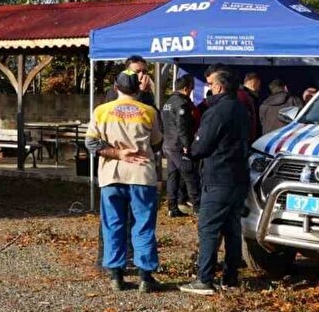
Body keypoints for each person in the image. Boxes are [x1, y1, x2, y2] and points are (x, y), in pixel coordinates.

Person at [85, 71, 164, 293]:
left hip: (111, 176)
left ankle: (116, 276)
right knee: (143, 224)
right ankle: (146, 277)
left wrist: (117, 153)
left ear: (116, 87)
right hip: (142, 176)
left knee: (113, 225)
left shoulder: (101, 111)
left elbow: (91, 144)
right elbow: (157, 143)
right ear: (138, 89)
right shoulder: (148, 112)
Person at [181, 66, 251, 296]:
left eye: (210, 84)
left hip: (218, 176)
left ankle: (204, 279)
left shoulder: (217, 111)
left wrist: (190, 151)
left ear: (218, 86)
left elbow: (202, 145)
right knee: (232, 229)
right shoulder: (242, 108)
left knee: (209, 228)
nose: (209, 89)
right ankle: (231, 278)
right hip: (239, 177)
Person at [161, 74, 200, 218]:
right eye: (190, 89)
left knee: (173, 175)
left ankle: (172, 207)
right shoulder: (181, 104)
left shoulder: (168, 102)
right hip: (178, 145)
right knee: (190, 174)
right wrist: (186, 145)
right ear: (185, 89)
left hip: (168, 144)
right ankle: (198, 207)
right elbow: (182, 126)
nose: (191, 92)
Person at [238, 71, 262, 140]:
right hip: (247, 137)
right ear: (253, 83)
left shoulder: (242, 95)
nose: (259, 88)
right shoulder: (247, 97)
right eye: (258, 85)